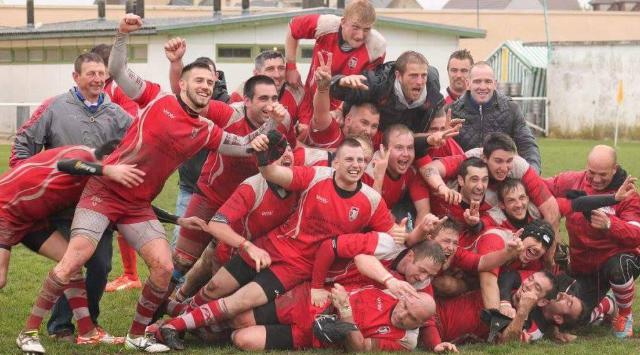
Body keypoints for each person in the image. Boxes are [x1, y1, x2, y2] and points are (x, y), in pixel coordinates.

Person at [17, 13, 276, 353]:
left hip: (137, 205)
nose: (204, 87)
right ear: (181, 84)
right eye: (198, 80)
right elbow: (120, 70)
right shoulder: (156, 99)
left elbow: (242, 144)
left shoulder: (206, 130)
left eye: (210, 83)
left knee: (164, 268)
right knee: (75, 258)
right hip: (104, 191)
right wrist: (121, 35)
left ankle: (137, 334)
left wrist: (273, 123)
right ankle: (29, 333)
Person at [156, 137, 415, 350]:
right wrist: (262, 154)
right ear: (336, 162)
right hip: (269, 246)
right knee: (213, 289)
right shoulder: (316, 176)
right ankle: (174, 315)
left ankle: (169, 327)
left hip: (294, 267)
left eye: (361, 160)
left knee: (237, 302)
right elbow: (271, 172)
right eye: (349, 159)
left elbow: (395, 236)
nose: (355, 165)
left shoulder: (370, 200)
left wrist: (413, 233)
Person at [10, 50, 132, 342]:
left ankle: (89, 325)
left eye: (102, 74)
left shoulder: (118, 115)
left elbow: (137, 148)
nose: (97, 79)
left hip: (99, 206)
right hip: (61, 207)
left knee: (101, 266)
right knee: (71, 263)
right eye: (90, 73)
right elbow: (22, 145)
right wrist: (30, 183)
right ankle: (61, 325)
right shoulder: (54, 107)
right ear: (75, 77)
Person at [544, 144, 640, 338]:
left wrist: (610, 225)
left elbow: (636, 234)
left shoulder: (628, 194)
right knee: (570, 319)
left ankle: (624, 314)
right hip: (584, 267)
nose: (596, 179)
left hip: (617, 261)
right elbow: (541, 188)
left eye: (603, 174)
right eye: (592, 172)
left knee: (618, 267)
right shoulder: (572, 181)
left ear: (615, 169)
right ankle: (608, 304)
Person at [285, 0, 386, 140]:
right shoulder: (326, 24)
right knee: (301, 137)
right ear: (343, 22)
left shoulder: (377, 46)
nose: (360, 35)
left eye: (366, 29)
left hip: (340, 112)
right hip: (310, 100)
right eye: (355, 27)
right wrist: (291, 66)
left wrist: (341, 110)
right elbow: (293, 27)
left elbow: (364, 88)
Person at [90, 43, 144, 293]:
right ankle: (129, 274)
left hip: (122, 162)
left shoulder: (120, 88)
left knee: (122, 217)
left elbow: (132, 124)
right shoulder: (108, 88)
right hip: (112, 162)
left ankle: (131, 274)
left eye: (99, 68)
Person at [421, 270, 558, 349]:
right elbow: (508, 273)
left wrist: (522, 312)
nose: (528, 285)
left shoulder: (522, 324)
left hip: (433, 334)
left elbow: (507, 344)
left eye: (537, 287)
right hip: (428, 308)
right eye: (530, 279)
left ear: (542, 301)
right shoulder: (501, 284)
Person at [449, 61, 541, 173]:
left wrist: (533, 173)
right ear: (468, 84)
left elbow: (527, 144)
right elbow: (445, 150)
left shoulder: (511, 109)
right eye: (477, 81)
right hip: (467, 181)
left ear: (495, 84)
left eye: (488, 81)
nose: (483, 87)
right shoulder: (452, 112)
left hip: (502, 180)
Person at [330, 50, 445, 137]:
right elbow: (340, 88)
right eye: (413, 76)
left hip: (401, 138)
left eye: (423, 75)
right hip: (371, 132)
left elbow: (434, 110)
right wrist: (340, 82)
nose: (420, 82)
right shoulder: (378, 83)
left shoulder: (432, 83)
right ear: (398, 76)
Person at [307, 53, 380, 149]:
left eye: (374, 126)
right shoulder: (331, 134)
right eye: (364, 123)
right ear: (348, 120)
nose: (369, 131)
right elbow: (321, 113)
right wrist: (323, 88)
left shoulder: (374, 141)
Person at [362, 124, 430, 222]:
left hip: (392, 213)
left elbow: (423, 211)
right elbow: (371, 214)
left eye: (410, 148)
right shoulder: (369, 171)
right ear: (384, 150)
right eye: (399, 148)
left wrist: (416, 234)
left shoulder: (412, 170)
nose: (406, 154)